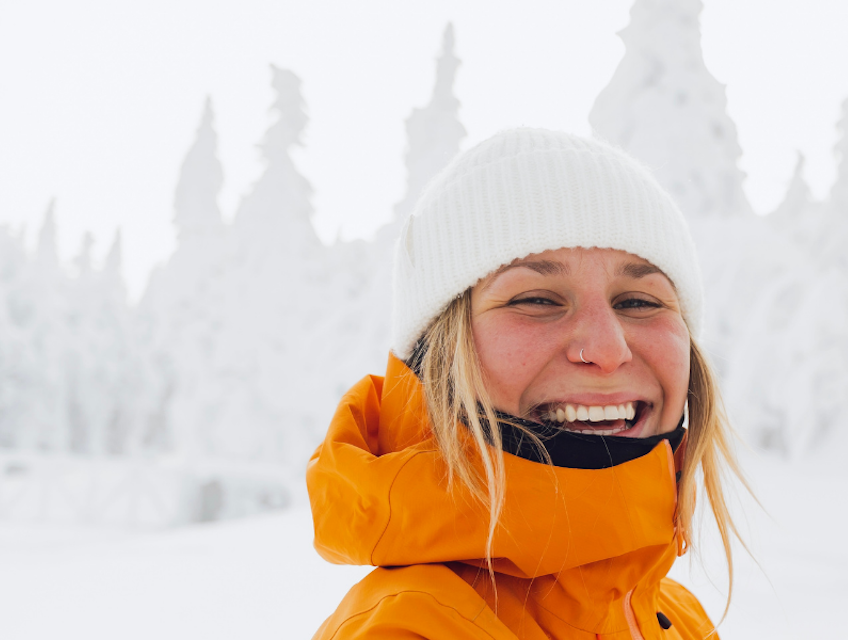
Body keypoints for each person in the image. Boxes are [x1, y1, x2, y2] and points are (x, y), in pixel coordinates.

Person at [307, 128, 749, 639]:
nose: (607, 350)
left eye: (639, 301)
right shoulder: (413, 629)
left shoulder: (674, 618)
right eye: (536, 300)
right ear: (438, 357)